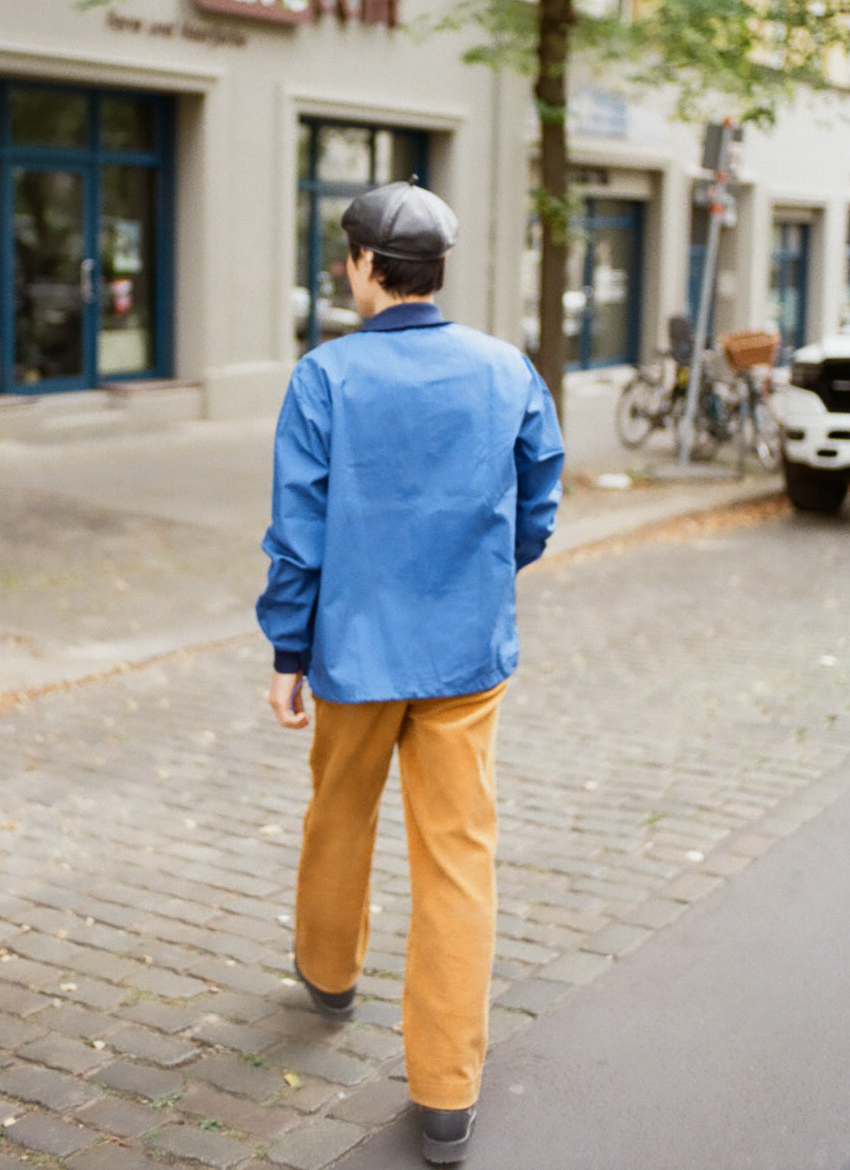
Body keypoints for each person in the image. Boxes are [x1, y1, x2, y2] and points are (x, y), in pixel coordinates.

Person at [257, 179, 564, 1164]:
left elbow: (298, 531)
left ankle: (328, 974)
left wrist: (289, 650)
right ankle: (445, 1092)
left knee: (339, 810)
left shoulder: (325, 376)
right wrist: (482, 572)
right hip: (465, 655)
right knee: (459, 856)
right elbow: (539, 502)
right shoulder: (506, 367)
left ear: (363, 266)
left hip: (353, 651)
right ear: (438, 269)